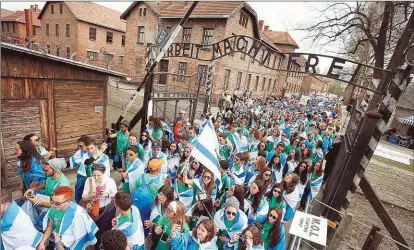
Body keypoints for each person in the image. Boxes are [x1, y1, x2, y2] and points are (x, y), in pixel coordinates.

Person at [22, 158, 70, 229]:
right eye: (43, 169)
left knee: (45, 227)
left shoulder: (63, 184)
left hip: (57, 210)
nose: (44, 172)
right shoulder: (51, 176)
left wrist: (38, 202)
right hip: (49, 200)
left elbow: (58, 205)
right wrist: (33, 189)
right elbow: (46, 183)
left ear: (55, 169)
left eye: (46, 170)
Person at [82, 164, 117, 250]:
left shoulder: (109, 181)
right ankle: (98, 247)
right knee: (97, 231)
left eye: (99, 175)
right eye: (94, 175)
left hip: (107, 209)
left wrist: (107, 193)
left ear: (104, 173)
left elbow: (116, 194)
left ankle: (107, 246)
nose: (96, 178)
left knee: (108, 229)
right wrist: (92, 194)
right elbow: (83, 197)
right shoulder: (89, 181)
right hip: (94, 211)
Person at [132, 158, 165, 223]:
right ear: (158, 169)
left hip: (136, 205)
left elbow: (133, 190)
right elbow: (161, 199)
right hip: (149, 209)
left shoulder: (141, 176)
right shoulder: (159, 183)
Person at [69, 135, 92, 204]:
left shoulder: (94, 152)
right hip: (81, 176)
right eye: (78, 146)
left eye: (81, 146)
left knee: (89, 194)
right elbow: (73, 160)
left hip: (91, 176)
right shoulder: (79, 152)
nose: (79, 148)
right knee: (78, 192)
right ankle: (79, 205)